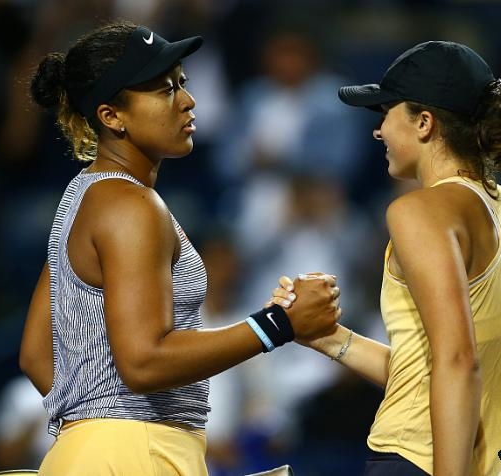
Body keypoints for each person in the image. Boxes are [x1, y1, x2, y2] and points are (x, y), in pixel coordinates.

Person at [19, 21, 340, 475]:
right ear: (112, 116)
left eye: (181, 83)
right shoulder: (130, 205)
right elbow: (144, 363)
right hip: (132, 452)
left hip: (99, 451)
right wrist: (278, 325)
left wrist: (97, 426)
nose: (188, 100)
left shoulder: (85, 194)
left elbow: (37, 353)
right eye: (164, 90)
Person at [270, 40, 501, 475]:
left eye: (386, 112)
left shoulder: (418, 211)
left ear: (424, 122)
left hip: (422, 462)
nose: (379, 131)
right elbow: (439, 372)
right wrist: (327, 338)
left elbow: (459, 362)